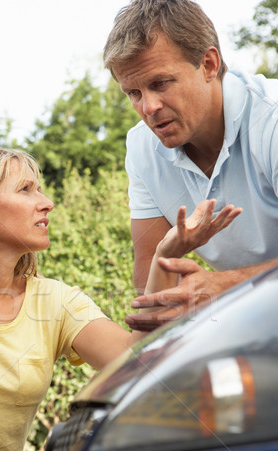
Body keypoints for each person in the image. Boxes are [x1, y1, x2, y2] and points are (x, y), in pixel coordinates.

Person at [0, 148, 239, 451]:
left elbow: (133, 363)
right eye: (26, 189)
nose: (47, 202)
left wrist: (165, 256)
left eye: (40, 189)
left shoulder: (56, 302)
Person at [103, 0, 278, 331]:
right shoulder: (142, 147)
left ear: (209, 64)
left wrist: (224, 287)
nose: (148, 107)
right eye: (133, 93)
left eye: (160, 83)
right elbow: (149, 266)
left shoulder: (272, 121)